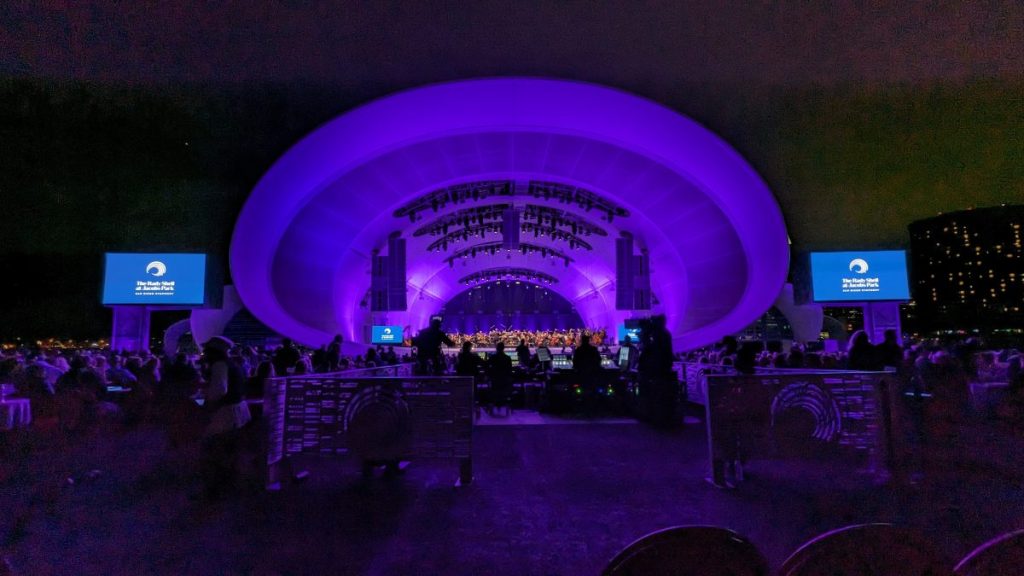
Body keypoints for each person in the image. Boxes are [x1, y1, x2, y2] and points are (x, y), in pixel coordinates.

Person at [197, 336, 251, 500]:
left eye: (207, 351)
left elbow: (219, 390)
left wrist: (207, 403)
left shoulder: (220, 365)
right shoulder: (236, 364)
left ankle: (215, 490)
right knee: (230, 451)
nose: (204, 354)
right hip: (240, 411)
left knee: (215, 451)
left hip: (226, 414)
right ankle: (230, 485)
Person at [487, 342, 514, 414]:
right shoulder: (508, 358)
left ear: (496, 348)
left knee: (491, 389)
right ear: (503, 348)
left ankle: (492, 404)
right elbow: (510, 370)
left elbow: (486, 366)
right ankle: (504, 403)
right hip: (505, 382)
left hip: (495, 381)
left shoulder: (492, 357)